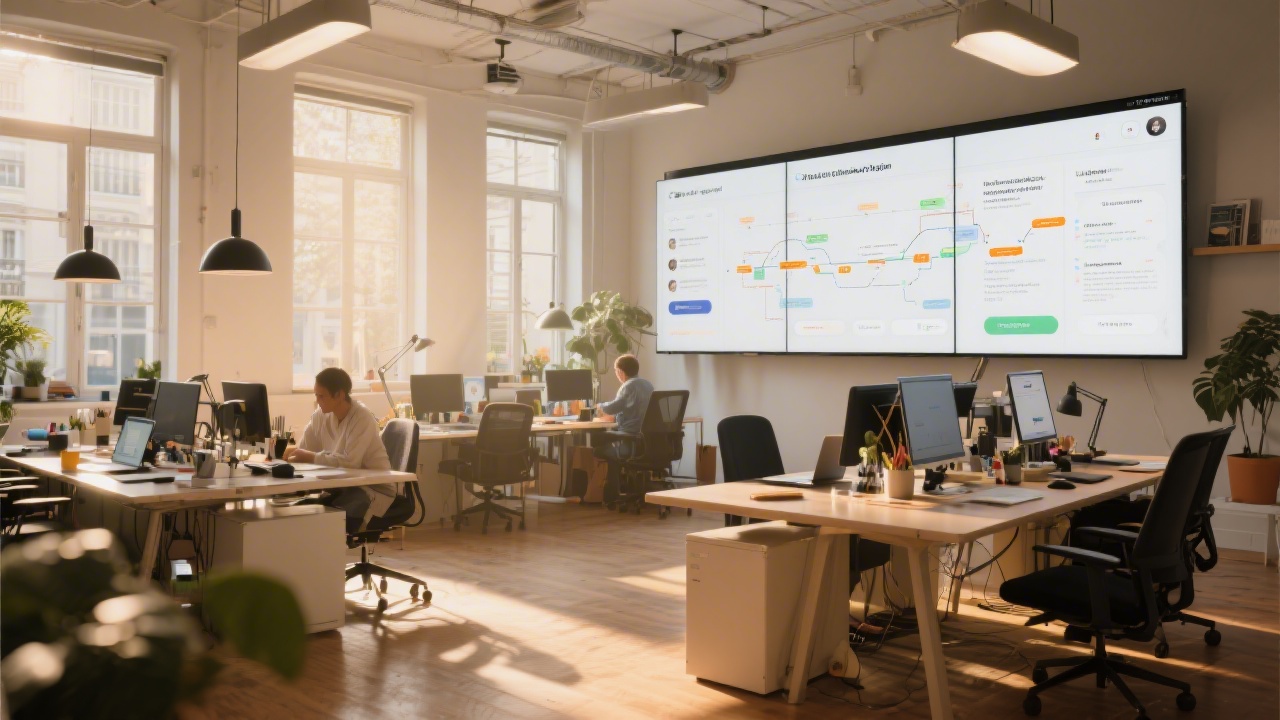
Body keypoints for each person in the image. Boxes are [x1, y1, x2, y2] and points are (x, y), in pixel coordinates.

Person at [284, 367, 394, 531]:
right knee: (296, 511)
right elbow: (304, 450)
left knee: (327, 520)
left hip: (372, 488)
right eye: (316, 395)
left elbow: (351, 463)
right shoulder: (320, 415)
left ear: (340, 395)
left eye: (322, 396)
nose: (318, 400)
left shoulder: (362, 417)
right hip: (342, 486)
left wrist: (311, 458)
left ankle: (328, 552)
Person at [593, 354, 654, 503]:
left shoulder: (628, 386)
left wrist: (598, 406)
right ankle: (617, 491)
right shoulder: (648, 385)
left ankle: (610, 493)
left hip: (631, 441)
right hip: (648, 443)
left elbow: (613, 407)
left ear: (620, 371)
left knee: (598, 443)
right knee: (612, 447)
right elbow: (630, 409)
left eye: (615, 371)